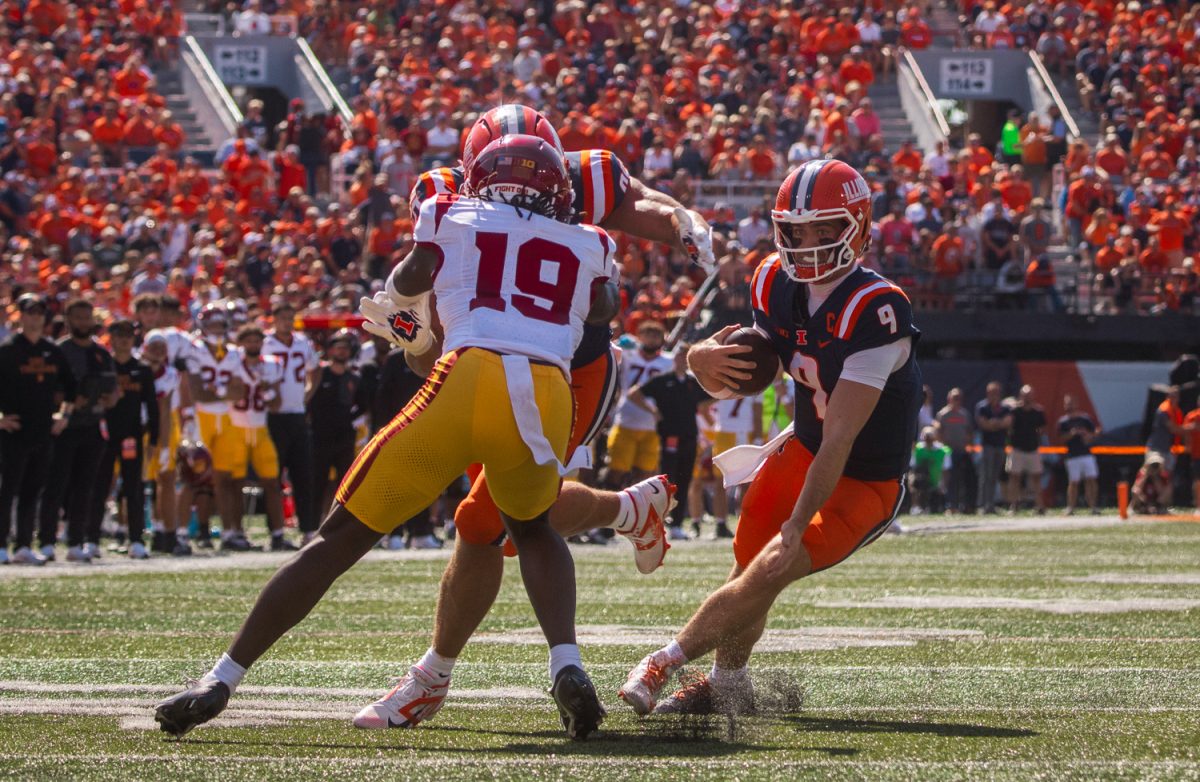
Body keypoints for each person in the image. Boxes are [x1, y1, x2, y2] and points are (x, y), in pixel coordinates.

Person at [155, 133, 620, 741]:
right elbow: (604, 307)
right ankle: (567, 663)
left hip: (467, 375)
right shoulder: (594, 240)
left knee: (338, 538)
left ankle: (222, 678)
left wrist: (408, 315)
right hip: (546, 392)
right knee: (531, 527)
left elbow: (416, 272)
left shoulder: (449, 208)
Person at [350, 105, 710, 730]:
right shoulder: (441, 201)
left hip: (573, 371)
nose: (519, 192)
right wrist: (413, 340)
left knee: (483, 520)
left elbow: (640, 202)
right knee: (514, 517)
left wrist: (682, 216)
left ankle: (431, 677)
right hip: (481, 363)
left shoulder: (582, 177)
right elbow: (429, 348)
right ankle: (629, 509)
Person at [619, 159, 921, 716]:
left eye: (824, 230)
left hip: (862, 476)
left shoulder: (876, 308)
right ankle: (728, 688)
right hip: (802, 448)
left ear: (856, 227)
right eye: (796, 230)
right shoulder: (771, 280)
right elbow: (758, 350)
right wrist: (698, 354)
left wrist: (798, 523)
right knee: (748, 562)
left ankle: (665, 660)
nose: (806, 243)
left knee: (773, 565)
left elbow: (841, 440)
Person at [39, 299, 119, 563]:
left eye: (87, 317)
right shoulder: (58, 351)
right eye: (78, 317)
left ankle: (76, 540)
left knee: (86, 487)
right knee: (56, 485)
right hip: (64, 426)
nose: (83, 322)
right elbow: (48, 388)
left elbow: (113, 387)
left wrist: (110, 399)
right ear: (68, 319)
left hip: (93, 425)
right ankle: (47, 540)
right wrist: (69, 400)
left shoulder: (101, 352)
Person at [0, 294, 74, 565]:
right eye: (29, 312)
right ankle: (1, 544)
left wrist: (64, 417)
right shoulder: (7, 350)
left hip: (43, 430)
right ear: (20, 315)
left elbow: (72, 389)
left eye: (39, 313)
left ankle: (23, 544)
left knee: (33, 489)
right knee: (6, 490)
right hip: (13, 431)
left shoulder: (53, 351)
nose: (34, 318)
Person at [219, 324, 295, 551]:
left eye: (256, 340)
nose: (253, 345)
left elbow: (277, 402)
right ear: (241, 343)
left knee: (272, 482)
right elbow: (226, 393)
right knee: (235, 483)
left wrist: (266, 389)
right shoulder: (232, 363)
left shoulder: (271, 365)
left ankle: (278, 533)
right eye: (248, 341)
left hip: (261, 429)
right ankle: (235, 532)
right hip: (237, 428)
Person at [627, 345, 716, 539]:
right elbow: (634, 393)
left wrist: (701, 408)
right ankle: (657, 521)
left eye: (686, 357)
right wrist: (654, 412)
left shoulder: (693, 383)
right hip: (669, 436)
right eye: (680, 356)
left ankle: (676, 523)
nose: (682, 360)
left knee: (684, 479)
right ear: (674, 359)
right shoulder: (662, 381)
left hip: (690, 436)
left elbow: (712, 397)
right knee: (667, 480)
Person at [184, 304, 254, 551]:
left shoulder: (233, 352)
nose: (216, 329)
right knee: (198, 477)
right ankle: (195, 531)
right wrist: (224, 393)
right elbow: (197, 392)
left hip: (226, 419)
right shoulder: (193, 349)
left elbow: (238, 391)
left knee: (228, 478)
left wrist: (218, 392)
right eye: (211, 324)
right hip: (200, 417)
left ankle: (229, 531)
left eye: (219, 324)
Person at [90, 320, 159, 559]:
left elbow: (152, 405)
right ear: (112, 338)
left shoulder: (142, 369)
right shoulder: (103, 366)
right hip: (104, 436)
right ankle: (91, 538)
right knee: (100, 486)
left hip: (131, 436)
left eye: (128, 336)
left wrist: (154, 439)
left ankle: (136, 539)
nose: (124, 340)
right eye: (119, 335)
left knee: (134, 488)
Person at [263, 301, 320, 544]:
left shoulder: (302, 342)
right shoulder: (265, 343)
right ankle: (276, 532)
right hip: (273, 416)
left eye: (290, 317)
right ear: (274, 319)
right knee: (273, 476)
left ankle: (307, 529)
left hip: (297, 414)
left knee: (303, 475)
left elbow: (315, 370)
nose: (287, 322)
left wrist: (307, 394)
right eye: (283, 317)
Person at [307, 329, 368, 521]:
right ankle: (312, 524)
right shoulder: (320, 374)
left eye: (345, 348)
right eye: (338, 348)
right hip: (320, 436)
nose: (342, 352)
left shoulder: (354, 378)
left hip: (344, 437)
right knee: (318, 482)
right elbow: (308, 399)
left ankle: (339, 522)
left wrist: (348, 419)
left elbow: (363, 404)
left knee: (345, 482)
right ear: (330, 350)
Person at [607, 321, 675, 490]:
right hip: (625, 419)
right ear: (640, 337)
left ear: (662, 339)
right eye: (648, 335)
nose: (651, 339)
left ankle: (637, 508)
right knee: (617, 470)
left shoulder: (669, 361)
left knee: (646, 473)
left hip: (652, 424)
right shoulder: (628, 354)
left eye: (656, 336)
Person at [1006, 384, 1046, 514]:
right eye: (1025, 395)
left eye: (1029, 395)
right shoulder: (1014, 411)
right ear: (1021, 396)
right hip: (1017, 449)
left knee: (1036, 478)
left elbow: (1042, 429)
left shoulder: (1038, 411)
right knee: (1014, 477)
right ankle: (1014, 505)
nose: (1027, 398)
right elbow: (1009, 427)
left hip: (1033, 449)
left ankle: (1039, 506)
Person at [1057, 395, 1100, 515]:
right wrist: (1072, 434)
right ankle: (1071, 507)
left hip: (1086, 454)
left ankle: (1093, 506)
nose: (1069, 406)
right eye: (1067, 403)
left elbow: (1096, 432)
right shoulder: (1063, 421)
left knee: (1091, 480)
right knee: (1073, 482)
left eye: (1071, 403)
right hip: (1072, 456)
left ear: (1076, 404)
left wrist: (1087, 435)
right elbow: (1060, 438)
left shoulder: (1085, 419)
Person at [974, 382, 1012, 514]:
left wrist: (994, 423)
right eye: (991, 393)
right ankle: (982, 505)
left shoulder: (1005, 408)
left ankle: (991, 504)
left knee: (995, 476)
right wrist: (997, 423)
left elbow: (1007, 422)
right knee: (986, 476)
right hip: (988, 446)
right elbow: (984, 425)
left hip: (1000, 446)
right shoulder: (982, 407)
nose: (994, 395)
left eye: (996, 392)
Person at [936, 388, 974, 513]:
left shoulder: (964, 414)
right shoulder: (943, 414)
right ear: (949, 399)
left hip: (962, 451)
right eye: (954, 398)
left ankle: (964, 505)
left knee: (963, 479)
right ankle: (950, 505)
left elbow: (969, 432)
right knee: (950, 480)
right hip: (948, 452)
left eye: (958, 398)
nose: (956, 400)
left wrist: (967, 445)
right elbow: (939, 432)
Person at [909, 426, 949, 515]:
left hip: (935, 479)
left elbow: (946, 469)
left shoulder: (942, 450)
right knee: (915, 481)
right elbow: (912, 466)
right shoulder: (917, 449)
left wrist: (943, 484)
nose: (929, 440)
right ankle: (915, 507)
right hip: (920, 478)